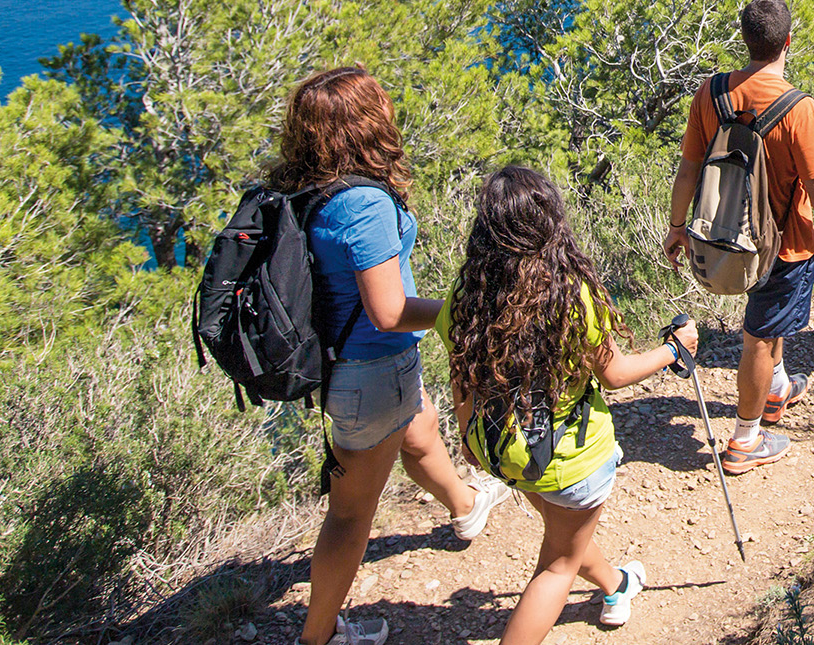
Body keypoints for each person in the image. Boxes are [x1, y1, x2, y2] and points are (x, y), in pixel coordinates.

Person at [273, 67, 511, 645]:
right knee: (352, 515)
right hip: (371, 368)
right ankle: (319, 635)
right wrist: (458, 311)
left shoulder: (307, 188)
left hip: (351, 366)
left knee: (420, 429)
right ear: (366, 124)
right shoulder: (362, 204)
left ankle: (464, 504)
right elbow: (387, 310)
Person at [438, 166, 700, 636]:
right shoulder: (572, 295)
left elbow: (465, 374)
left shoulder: (466, 297)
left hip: (506, 450)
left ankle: (616, 585)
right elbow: (615, 374)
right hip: (572, 459)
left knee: (564, 534)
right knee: (557, 567)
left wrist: (466, 435)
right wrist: (673, 349)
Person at [662, 0, 814, 473]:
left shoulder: (711, 93)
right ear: (788, 42)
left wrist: (677, 226)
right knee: (758, 339)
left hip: (723, 234)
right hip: (785, 246)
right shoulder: (799, 109)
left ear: (745, 40)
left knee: (769, 329)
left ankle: (776, 391)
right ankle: (745, 439)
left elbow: (688, 169)